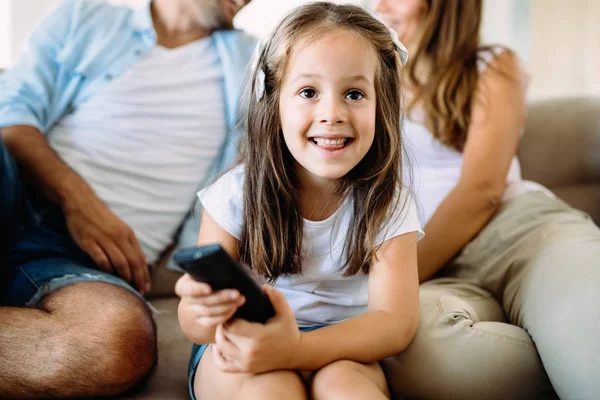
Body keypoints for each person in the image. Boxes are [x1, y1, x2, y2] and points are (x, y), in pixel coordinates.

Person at [0, 0, 255, 397]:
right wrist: (78, 200)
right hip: (16, 192)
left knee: (116, 342)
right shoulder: (84, 17)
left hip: (80, 265)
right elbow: (10, 117)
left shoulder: (254, 64)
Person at [175, 3, 424, 399]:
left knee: (345, 388)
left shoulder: (388, 202)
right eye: (308, 92)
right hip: (244, 345)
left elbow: (395, 322)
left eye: (355, 93)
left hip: (343, 347)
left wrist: (297, 350)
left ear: (383, 105)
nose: (332, 113)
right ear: (273, 104)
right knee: (271, 390)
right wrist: (198, 311)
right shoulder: (234, 195)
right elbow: (199, 326)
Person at [374, 0, 600, 399]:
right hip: (433, 266)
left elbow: (482, 191)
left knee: (586, 307)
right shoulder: (367, 79)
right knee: (421, 352)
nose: (381, 4)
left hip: (517, 232)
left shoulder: (493, 66)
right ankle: (560, 358)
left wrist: (393, 282)